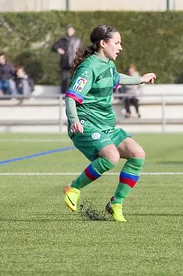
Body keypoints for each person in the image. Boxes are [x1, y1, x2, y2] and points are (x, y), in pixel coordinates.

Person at [62, 25, 156, 222]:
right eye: (117, 43)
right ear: (103, 43)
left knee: (138, 154)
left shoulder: (108, 65)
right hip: (86, 123)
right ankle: (74, 188)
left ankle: (116, 203)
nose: (120, 47)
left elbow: (117, 77)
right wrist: (74, 121)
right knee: (111, 156)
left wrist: (141, 79)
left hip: (106, 125)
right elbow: (71, 97)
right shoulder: (88, 68)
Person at [52, 25, 82, 95]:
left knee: (75, 79)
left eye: (71, 30)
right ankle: (62, 95)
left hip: (74, 62)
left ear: (73, 31)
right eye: (68, 30)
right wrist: (58, 49)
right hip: (64, 62)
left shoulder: (77, 40)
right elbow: (54, 47)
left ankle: (75, 94)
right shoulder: (62, 40)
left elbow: (80, 51)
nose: (69, 31)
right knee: (64, 79)